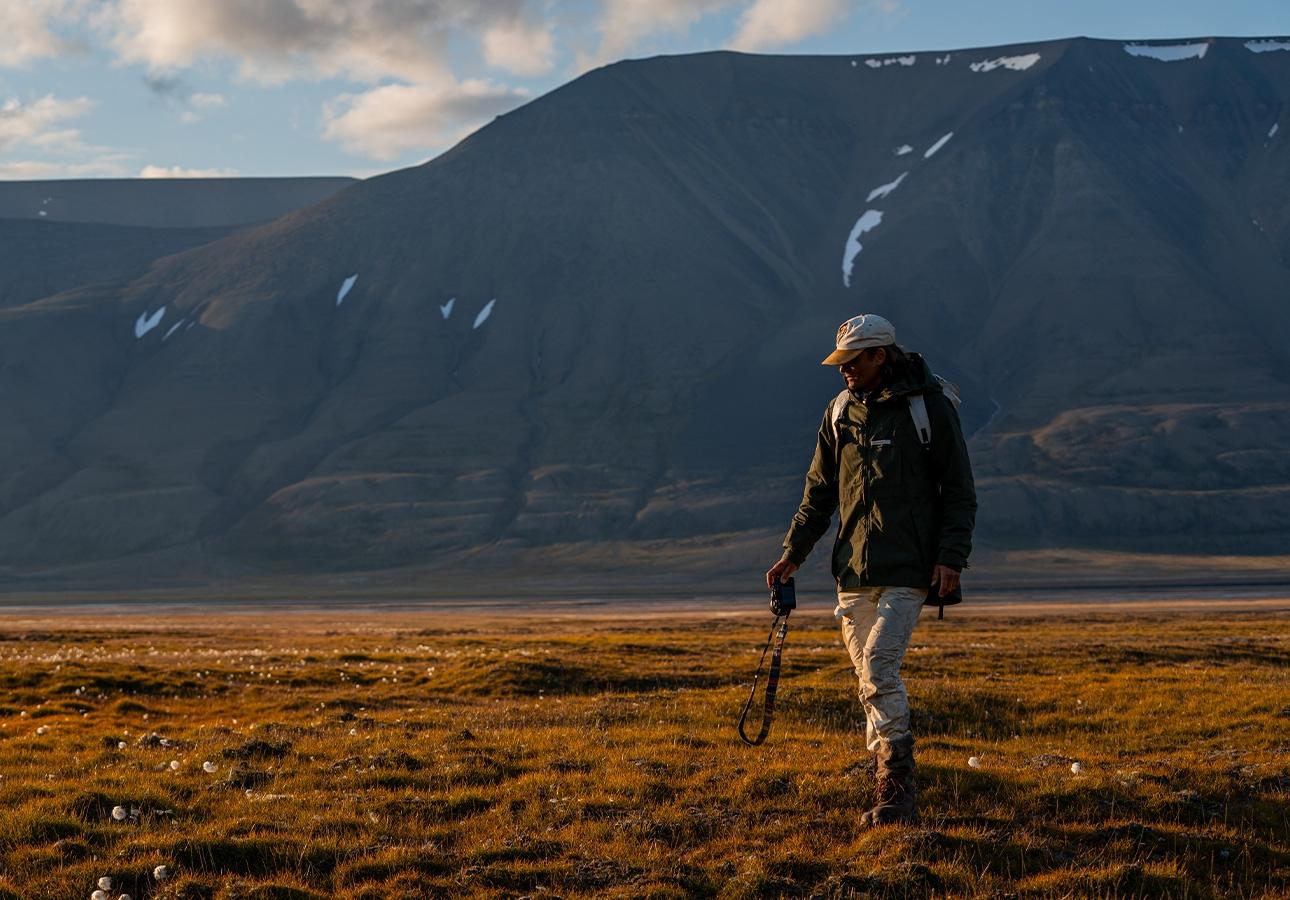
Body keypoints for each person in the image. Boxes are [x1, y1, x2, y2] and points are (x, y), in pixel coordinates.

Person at [765, 313, 976, 827]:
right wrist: (793, 553)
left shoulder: (930, 409)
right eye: (841, 362)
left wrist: (951, 558)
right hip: (853, 572)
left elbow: (958, 490)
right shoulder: (839, 414)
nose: (845, 371)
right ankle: (886, 782)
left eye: (853, 360)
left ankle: (897, 786)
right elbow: (818, 495)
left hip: (910, 570)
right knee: (869, 680)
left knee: (879, 669)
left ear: (880, 355)